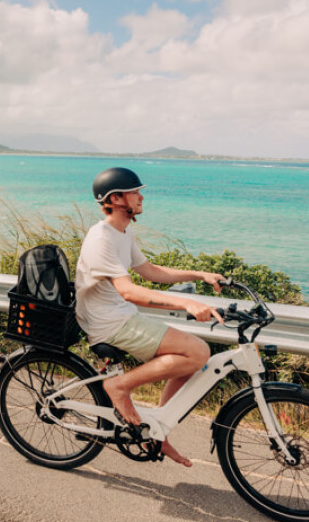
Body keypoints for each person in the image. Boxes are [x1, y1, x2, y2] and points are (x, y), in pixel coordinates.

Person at [75, 167, 225, 467]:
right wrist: (185, 303)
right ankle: (118, 386)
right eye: (135, 192)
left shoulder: (122, 232)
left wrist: (199, 275)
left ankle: (159, 432)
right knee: (197, 351)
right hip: (109, 323)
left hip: (121, 316)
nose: (141, 197)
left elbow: (150, 271)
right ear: (116, 199)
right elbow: (129, 291)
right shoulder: (101, 237)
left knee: (190, 360)